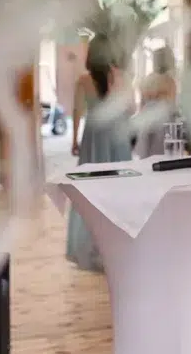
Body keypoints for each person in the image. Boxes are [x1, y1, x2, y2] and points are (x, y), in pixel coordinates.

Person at [66, 32, 134, 271]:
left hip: (93, 138)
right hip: (117, 137)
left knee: (91, 192)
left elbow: (77, 111)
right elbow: (131, 109)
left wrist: (74, 139)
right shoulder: (122, 77)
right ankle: (117, 245)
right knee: (119, 191)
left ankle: (90, 247)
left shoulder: (83, 81)